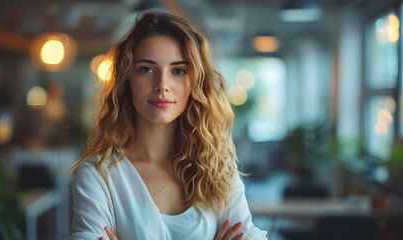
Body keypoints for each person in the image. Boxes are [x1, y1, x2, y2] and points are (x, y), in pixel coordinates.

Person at [69, 10, 268, 240]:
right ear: (127, 80)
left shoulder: (217, 167)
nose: (162, 85)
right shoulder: (97, 175)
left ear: (195, 82)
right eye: (147, 69)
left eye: (178, 71)